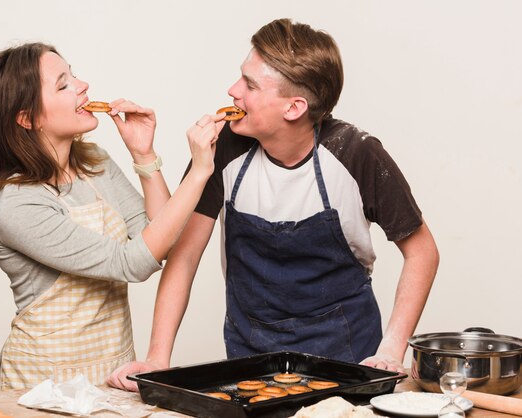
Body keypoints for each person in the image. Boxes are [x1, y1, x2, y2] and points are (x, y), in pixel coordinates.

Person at [108, 18, 439, 391]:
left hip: (348, 362)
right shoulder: (223, 150)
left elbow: (423, 252)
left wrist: (392, 349)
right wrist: (157, 359)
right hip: (250, 361)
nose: (232, 90)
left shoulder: (356, 153)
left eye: (249, 84)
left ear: (294, 107)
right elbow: (183, 257)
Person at [0, 42, 223, 390]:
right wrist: (199, 173)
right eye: (63, 84)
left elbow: (166, 240)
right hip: (42, 387)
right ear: (27, 118)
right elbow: (132, 263)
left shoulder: (94, 162)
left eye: (73, 74)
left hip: (114, 372)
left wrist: (143, 154)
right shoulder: (16, 203)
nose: (82, 85)